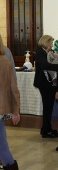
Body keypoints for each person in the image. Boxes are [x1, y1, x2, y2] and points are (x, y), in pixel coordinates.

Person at [0, 35, 20, 169]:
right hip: (2, 109)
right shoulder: (6, 60)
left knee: (2, 145)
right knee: (2, 143)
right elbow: (14, 87)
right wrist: (15, 110)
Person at [33, 35, 58, 138]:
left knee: (49, 107)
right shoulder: (40, 52)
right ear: (46, 43)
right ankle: (46, 130)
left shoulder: (45, 51)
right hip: (44, 84)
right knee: (48, 107)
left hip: (47, 83)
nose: (52, 45)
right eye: (51, 43)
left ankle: (46, 128)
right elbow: (44, 65)